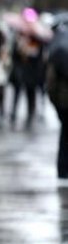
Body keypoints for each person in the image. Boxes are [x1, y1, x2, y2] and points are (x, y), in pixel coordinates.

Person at [47, 25, 68, 179]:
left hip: (62, 104)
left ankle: (62, 171)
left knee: (64, 136)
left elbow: (51, 83)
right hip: (63, 103)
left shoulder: (57, 53)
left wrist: (55, 103)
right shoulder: (61, 53)